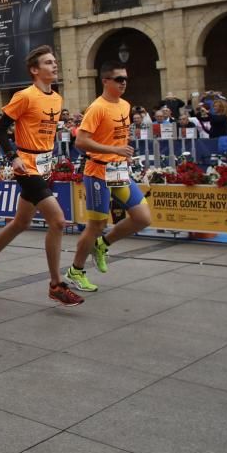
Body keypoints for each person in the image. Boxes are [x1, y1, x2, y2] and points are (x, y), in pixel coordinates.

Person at [0, 46, 84, 306]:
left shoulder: (56, 99)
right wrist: (14, 157)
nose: (54, 66)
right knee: (57, 221)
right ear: (35, 70)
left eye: (55, 62)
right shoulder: (24, 96)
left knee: (21, 222)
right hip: (27, 167)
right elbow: (0, 130)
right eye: (48, 63)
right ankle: (56, 284)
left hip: (45, 166)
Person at [67, 63, 151, 292]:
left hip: (119, 171)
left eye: (125, 79)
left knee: (143, 218)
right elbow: (80, 142)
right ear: (105, 81)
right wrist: (113, 150)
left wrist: (122, 152)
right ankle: (76, 270)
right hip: (97, 172)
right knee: (96, 225)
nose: (124, 82)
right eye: (118, 79)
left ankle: (103, 245)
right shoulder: (97, 108)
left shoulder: (125, 105)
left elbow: (118, 138)